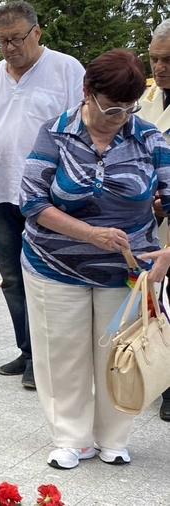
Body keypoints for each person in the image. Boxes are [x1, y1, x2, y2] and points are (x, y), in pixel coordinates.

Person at [20, 49, 170, 469]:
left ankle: (114, 438)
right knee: (61, 353)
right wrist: (91, 234)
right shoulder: (55, 131)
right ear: (87, 92)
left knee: (119, 354)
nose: (119, 116)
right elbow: (31, 201)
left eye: (128, 108)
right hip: (53, 263)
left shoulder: (150, 139)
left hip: (126, 271)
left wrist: (169, 255)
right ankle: (71, 438)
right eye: (111, 108)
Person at [0, 1, 85, 389]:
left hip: (49, 197)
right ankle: (28, 351)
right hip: (0, 190)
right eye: (2, 41)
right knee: (12, 277)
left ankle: (50, 359)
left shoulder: (66, 69)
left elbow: (83, 126)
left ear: (37, 32)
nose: (10, 48)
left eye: (16, 39)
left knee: (49, 279)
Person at [137, 18, 170, 423]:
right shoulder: (145, 100)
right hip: (150, 221)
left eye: (168, 60)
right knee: (155, 305)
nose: (160, 68)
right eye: (155, 59)